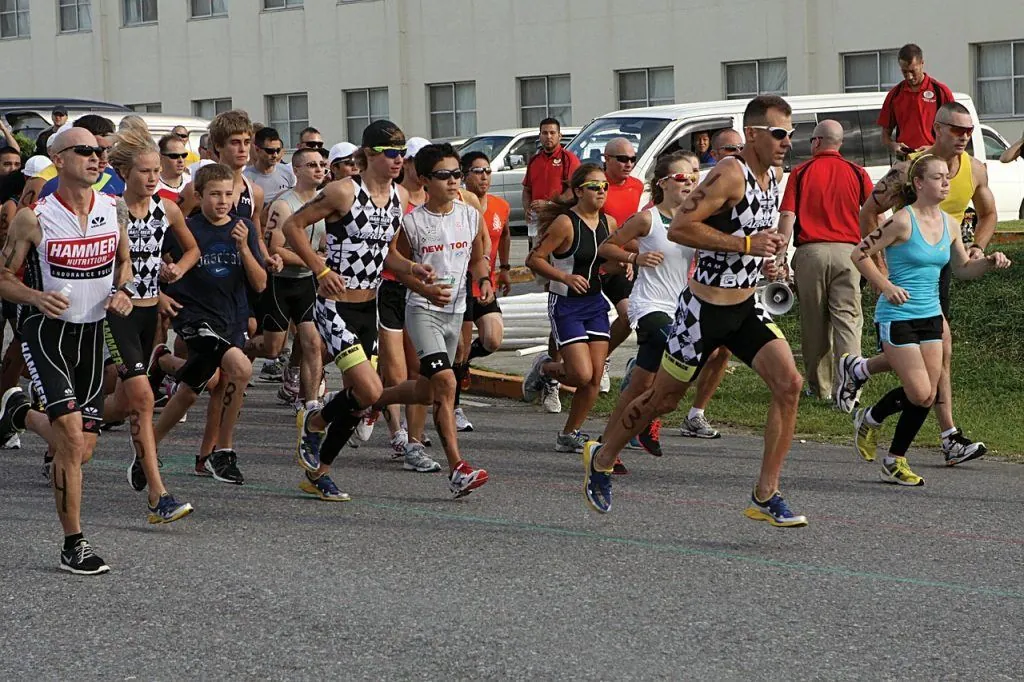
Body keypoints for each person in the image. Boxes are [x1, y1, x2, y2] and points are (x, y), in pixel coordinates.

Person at [581, 95, 807, 528]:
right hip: (701, 312)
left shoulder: (774, 174)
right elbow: (682, 227)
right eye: (779, 134)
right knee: (662, 399)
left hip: (744, 306)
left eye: (791, 135)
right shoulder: (728, 174)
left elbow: (752, 231)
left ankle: (766, 493)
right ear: (754, 134)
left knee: (789, 384)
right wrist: (745, 246)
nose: (786, 142)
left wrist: (770, 252)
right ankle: (602, 457)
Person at [0, 126, 135, 575]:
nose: (97, 158)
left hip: (93, 333)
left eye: (100, 151)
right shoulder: (33, 218)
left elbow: (124, 264)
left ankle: (18, 413)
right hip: (47, 334)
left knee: (81, 449)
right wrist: (36, 298)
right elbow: (3, 277)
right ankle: (73, 543)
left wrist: (121, 291)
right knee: (72, 440)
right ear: (59, 160)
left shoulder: (113, 209)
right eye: (85, 151)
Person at [283, 120, 442, 500]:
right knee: (370, 391)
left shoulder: (399, 198)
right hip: (333, 305)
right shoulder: (342, 192)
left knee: (357, 403)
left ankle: (319, 472)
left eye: (401, 154)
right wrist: (320, 270)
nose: (397, 161)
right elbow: (293, 226)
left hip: (368, 307)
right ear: (369, 153)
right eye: (390, 154)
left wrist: (412, 268)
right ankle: (315, 422)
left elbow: (386, 253)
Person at [839, 101, 997, 465]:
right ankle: (948, 436)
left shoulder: (974, 169)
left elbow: (988, 213)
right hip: (906, 265)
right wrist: (882, 274)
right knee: (932, 360)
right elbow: (868, 212)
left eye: (969, 130)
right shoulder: (909, 170)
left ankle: (860, 370)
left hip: (943, 258)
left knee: (938, 356)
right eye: (957, 130)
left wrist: (978, 250)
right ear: (937, 128)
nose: (964, 137)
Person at [597, 151, 733, 462]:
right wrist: (635, 258)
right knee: (685, 348)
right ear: (663, 184)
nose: (690, 183)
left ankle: (605, 445)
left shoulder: (694, 220)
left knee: (637, 388)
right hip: (648, 305)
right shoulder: (649, 218)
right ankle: (650, 420)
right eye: (682, 178)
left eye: (694, 178)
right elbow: (607, 247)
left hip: (679, 306)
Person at [96, 125, 199, 521]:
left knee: (123, 405)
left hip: (151, 313)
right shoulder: (109, 208)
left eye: (157, 170)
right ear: (124, 173)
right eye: (144, 171)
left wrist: (173, 274)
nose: (153, 177)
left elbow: (191, 249)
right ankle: (158, 496)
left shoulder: (168, 208)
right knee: (142, 399)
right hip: (118, 313)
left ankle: (72, 418)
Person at [386, 142, 494, 495]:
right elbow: (394, 265)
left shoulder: (470, 214)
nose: (452, 182)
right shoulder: (413, 222)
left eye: (457, 175)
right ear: (424, 180)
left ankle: (370, 402)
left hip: (456, 311)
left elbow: (478, 258)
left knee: (428, 389)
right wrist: (424, 288)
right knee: (446, 384)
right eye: (444, 176)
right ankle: (457, 468)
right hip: (422, 311)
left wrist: (483, 281)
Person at [150, 163, 267, 483]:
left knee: (196, 388)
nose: (223, 200)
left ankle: (149, 444)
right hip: (195, 317)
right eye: (215, 194)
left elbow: (259, 284)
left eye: (229, 194)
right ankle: (223, 452)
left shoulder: (244, 227)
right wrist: (161, 288)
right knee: (240, 369)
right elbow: (152, 264)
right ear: (198, 195)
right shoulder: (185, 228)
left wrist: (243, 247)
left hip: (232, 317)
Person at [777, 120, 873, 401]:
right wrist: (876, 257)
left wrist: (781, 257)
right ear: (839, 143)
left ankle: (820, 389)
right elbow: (872, 215)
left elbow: (787, 216)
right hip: (849, 253)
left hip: (811, 253)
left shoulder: (801, 172)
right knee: (848, 321)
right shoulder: (857, 172)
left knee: (814, 324)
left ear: (816, 142)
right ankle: (850, 389)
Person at [524, 163, 617, 454]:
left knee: (595, 376)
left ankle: (569, 434)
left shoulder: (609, 223)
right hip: (565, 303)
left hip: (595, 303)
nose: (601, 191)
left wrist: (624, 264)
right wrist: (564, 276)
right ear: (578, 191)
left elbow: (607, 261)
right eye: (594, 186)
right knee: (579, 375)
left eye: (605, 186)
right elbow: (534, 259)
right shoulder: (565, 223)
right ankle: (544, 367)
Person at [256, 147, 327, 412]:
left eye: (321, 164)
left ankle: (308, 403)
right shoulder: (284, 204)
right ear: (296, 170)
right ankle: (237, 350)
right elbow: (276, 248)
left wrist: (322, 258)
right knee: (272, 347)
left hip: (308, 280)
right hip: (281, 282)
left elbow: (325, 243)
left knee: (311, 340)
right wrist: (316, 259)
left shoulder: (324, 202)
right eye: (311, 165)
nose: (319, 169)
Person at [452, 151, 511, 432]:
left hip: (485, 282)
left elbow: (505, 235)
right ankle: (454, 404)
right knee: (457, 350)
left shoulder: (500, 205)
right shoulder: (460, 203)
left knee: (493, 338)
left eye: (488, 171)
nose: (484, 176)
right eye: (477, 171)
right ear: (464, 175)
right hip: (461, 284)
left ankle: (464, 366)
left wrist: (506, 267)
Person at [597, 137, 645, 395]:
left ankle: (602, 358)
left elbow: (632, 228)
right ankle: (550, 366)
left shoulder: (637, 186)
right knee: (581, 320)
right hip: (596, 260)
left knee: (628, 316)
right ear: (607, 158)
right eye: (622, 159)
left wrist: (630, 255)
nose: (628, 164)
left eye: (632, 159)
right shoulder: (598, 186)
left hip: (624, 261)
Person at [877, 43, 954, 157]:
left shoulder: (940, 91)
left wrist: (933, 148)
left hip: (934, 158)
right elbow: (885, 135)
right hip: (905, 159)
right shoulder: (895, 94)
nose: (909, 76)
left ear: (922, 63)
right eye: (904, 72)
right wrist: (893, 145)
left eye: (913, 71)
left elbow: (954, 130)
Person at [36, 115, 126, 201]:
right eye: (95, 149)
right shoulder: (50, 185)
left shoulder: (117, 180)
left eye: (108, 149)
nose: (104, 157)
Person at [522, 117, 580, 250]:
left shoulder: (569, 159)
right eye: (545, 133)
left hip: (560, 219)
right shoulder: (534, 161)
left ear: (560, 136)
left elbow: (574, 190)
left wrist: (549, 205)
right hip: (537, 222)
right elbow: (526, 190)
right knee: (536, 258)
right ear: (540, 136)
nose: (548, 136)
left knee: (557, 261)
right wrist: (527, 210)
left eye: (552, 133)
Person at [244, 126, 296, 204]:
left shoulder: (287, 172)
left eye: (278, 150)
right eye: (270, 151)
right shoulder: (246, 176)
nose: (275, 155)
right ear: (257, 150)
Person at [156, 133, 192, 202]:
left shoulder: (191, 183)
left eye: (184, 155)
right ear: (160, 157)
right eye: (174, 156)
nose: (181, 160)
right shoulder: (152, 186)